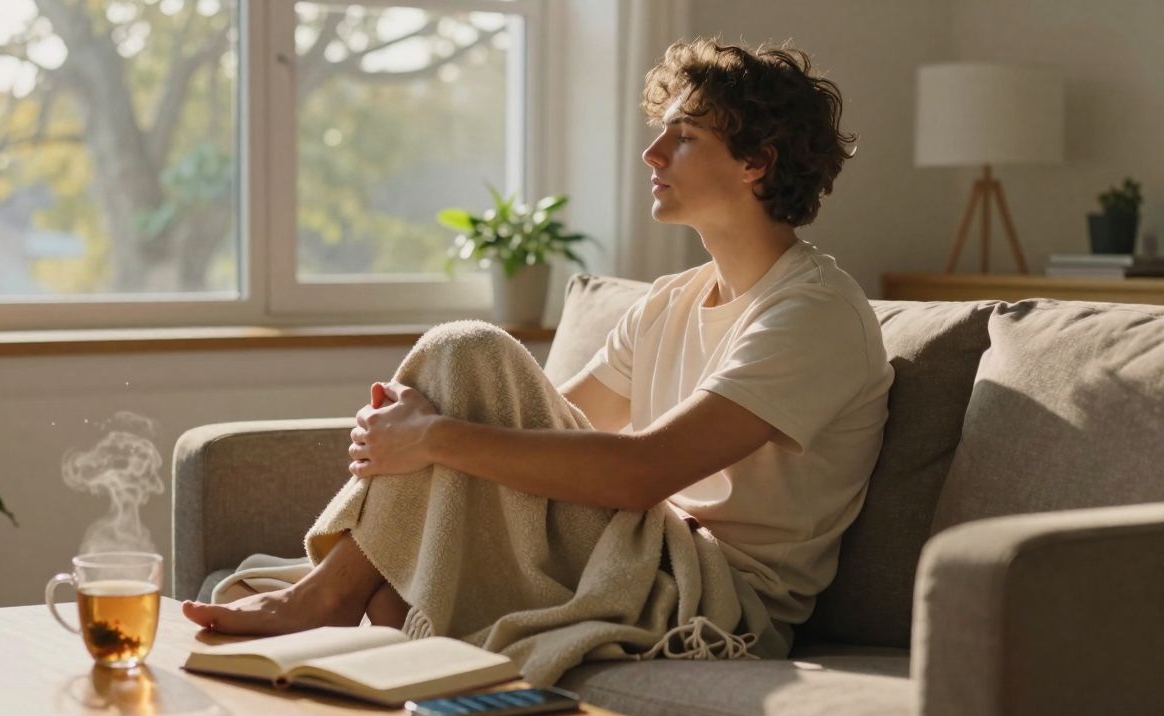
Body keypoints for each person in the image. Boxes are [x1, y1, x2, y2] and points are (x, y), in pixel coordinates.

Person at [182, 38, 893, 656]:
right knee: (463, 359)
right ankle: (358, 594)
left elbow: (644, 472)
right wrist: (415, 431)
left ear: (755, 164)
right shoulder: (667, 301)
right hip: (636, 547)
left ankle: (329, 596)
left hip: (716, 594)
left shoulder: (813, 313)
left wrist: (430, 437)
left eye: (684, 137)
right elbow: (535, 426)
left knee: (467, 351)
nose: (651, 152)